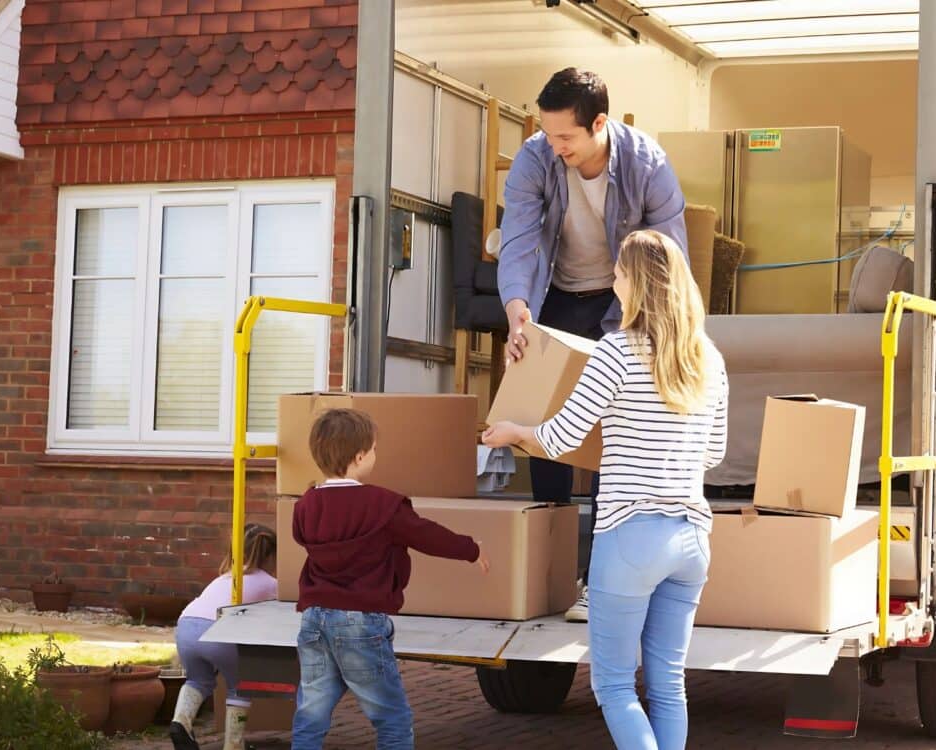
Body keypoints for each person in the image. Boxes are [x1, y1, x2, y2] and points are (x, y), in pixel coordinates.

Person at [484, 230, 728, 750]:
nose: (612, 280)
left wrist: (512, 432)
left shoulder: (616, 351)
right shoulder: (709, 358)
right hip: (692, 539)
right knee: (667, 685)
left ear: (636, 284)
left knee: (614, 685)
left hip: (630, 536)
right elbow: (715, 453)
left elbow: (561, 436)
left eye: (618, 272)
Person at [498, 67, 688, 621]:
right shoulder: (536, 158)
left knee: (614, 433)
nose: (553, 146)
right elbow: (519, 240)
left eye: (565, 138)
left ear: (599, 124)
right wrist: (517, 312)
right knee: (545, 423)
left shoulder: (647, 165)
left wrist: (642, 330)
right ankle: (551, 573)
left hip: (623, 302)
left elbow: (667, 257)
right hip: (552, 297)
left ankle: (600, 581)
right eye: (547, 133)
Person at [289, 408, 491, 750]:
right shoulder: (383, 504)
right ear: (359, 456)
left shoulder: (306, 504)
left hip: (314, 618)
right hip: (361, 623)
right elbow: (426, 535)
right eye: (374, 449)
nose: (375, 456)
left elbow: (300, 536)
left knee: (311, 713)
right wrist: (471, 549)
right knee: (391, 719)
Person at [170, 523, 279, 750]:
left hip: (186, 627)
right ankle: (233, 745)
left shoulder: (225, 577)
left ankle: (181, 721)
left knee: (198, 680)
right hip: (218, 631)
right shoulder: (269, 583)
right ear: (270, 556)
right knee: (240, 686)